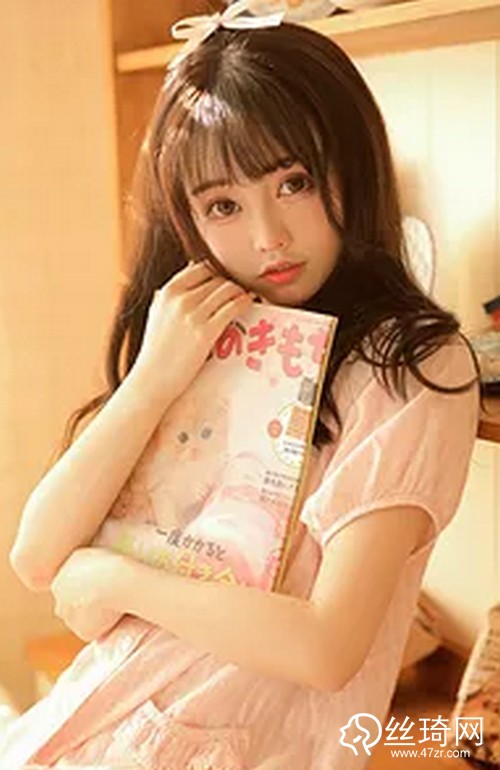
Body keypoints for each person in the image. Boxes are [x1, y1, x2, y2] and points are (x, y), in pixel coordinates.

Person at [2, 2, 480, 768]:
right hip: (92, 724)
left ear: (352, 168)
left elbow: (326, 647)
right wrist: (152, 380)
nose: (268, 238)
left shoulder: (413, 365)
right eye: (223, 205)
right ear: (187, 221)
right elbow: (37, 556)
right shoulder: (204, 333)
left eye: (294, 182)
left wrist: (119, 580)